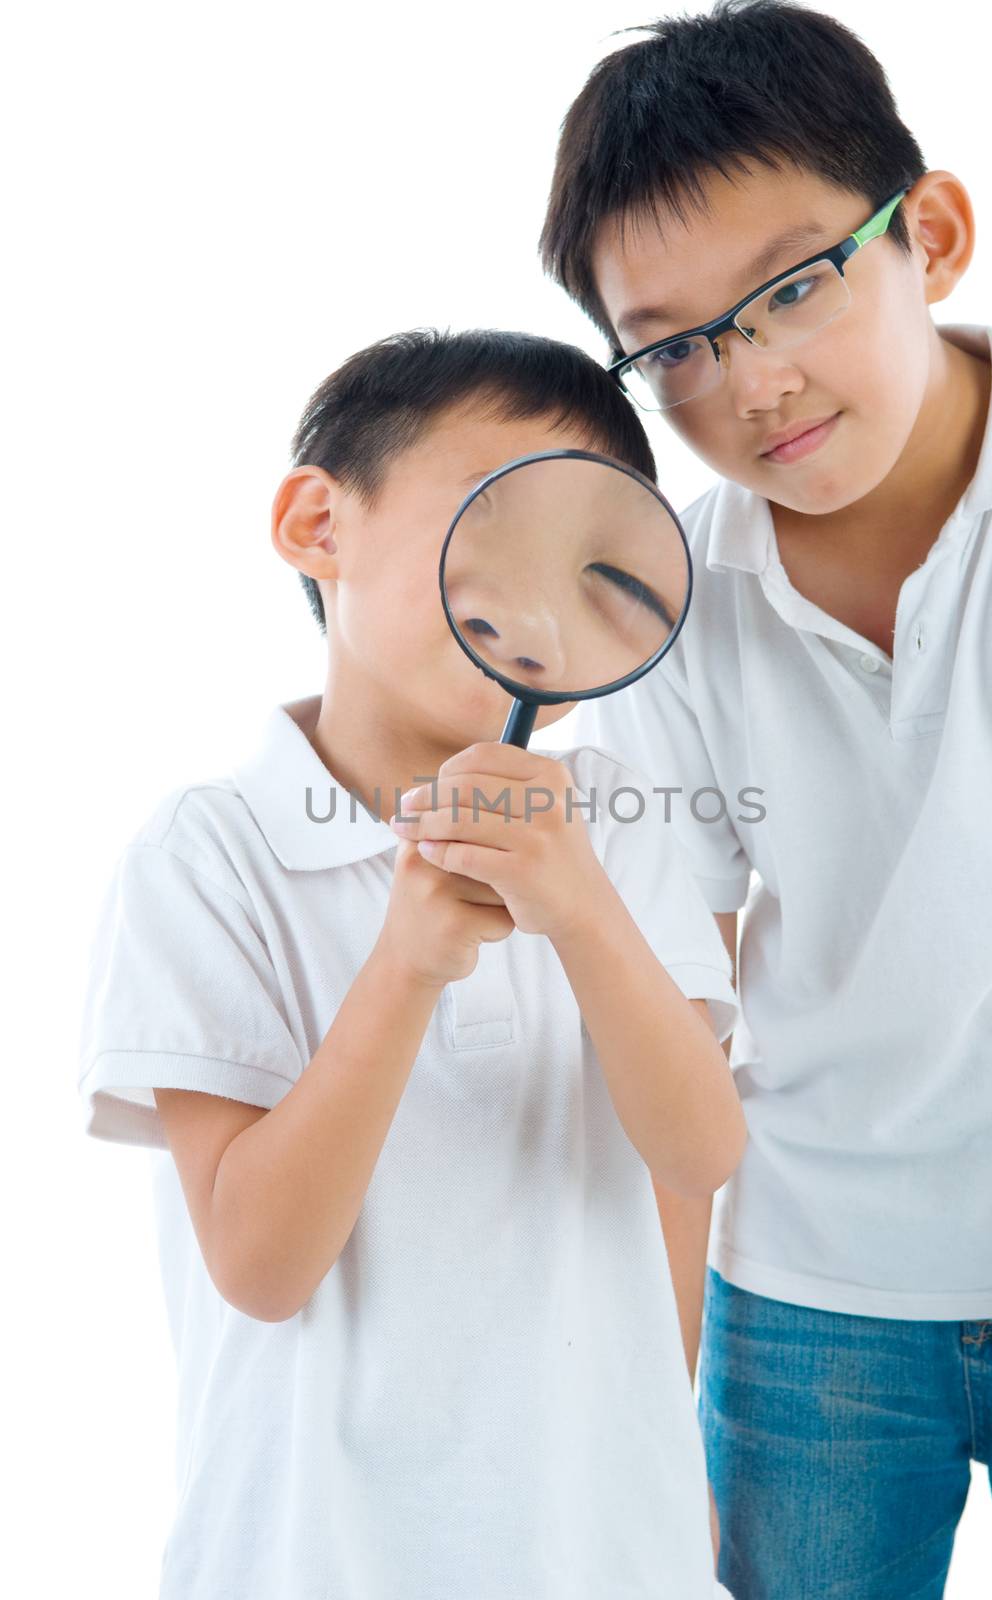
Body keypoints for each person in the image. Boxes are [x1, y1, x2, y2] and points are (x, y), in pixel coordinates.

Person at [76, 326, 747, 1600]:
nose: (543, 608)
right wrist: (402, 966)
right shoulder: (209, 854)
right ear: (316, 526)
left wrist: (583, 913)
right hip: (303, 1557)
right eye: (494, 528)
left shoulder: (616, 822)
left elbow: (699, 1159)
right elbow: (261, 1267)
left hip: (601, 1557)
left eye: (600, 572)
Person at [538, 4, 992, 1597]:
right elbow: (665, 1016)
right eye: (675, 345)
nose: (747, 378)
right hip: (803, 1305)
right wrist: (648, 1404)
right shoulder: (668, 600)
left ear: (933, 235)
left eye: (789, 287)